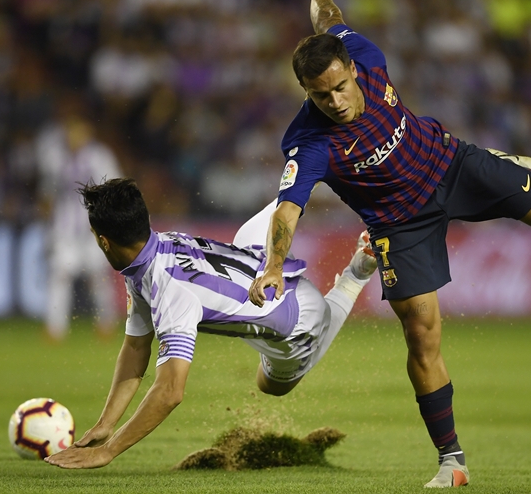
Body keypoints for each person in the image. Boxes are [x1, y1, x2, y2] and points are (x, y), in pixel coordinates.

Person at [247, 0, 531, 488]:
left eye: (339, 87)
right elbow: (288, 210)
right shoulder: (308, 144)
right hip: (399, 224)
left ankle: (508, 163)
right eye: (320, 96)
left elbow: (329, 19)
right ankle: (452, 462)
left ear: (352, 68)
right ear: (306, 91)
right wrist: (272, 265)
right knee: (422, 335)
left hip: (450, 164)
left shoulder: (367, 55)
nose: (335, 103)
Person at [45, 177, 377, 469]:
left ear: (104, 242)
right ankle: (317, 172)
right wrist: (106, 423)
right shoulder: (153, 249)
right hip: (259, 254)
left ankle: (356, 274)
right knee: (285, 200)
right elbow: (135, 346)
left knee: (271, 385)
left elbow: (170, 392)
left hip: (297, 316)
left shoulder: (170, 292)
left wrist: (109, 451)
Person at [38, 114, 122, 340]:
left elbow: (114, 189)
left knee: (98, 276)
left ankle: (106, 323)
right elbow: (47, 192)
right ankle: (55, 328)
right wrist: (47, 220)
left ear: (87, 134)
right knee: (60, 274)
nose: (74, 138)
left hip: (93, 228)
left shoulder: (99, 157)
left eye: (78, 133)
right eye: (71, 133)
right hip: (64, 228)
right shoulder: (55, 157)